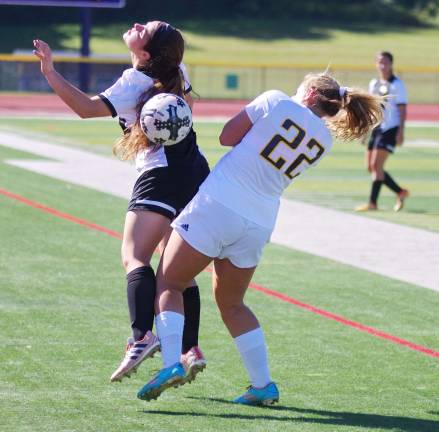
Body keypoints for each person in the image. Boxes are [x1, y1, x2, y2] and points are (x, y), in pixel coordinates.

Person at [136, 72, 383, 405]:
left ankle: (171, 365)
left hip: (219, 204)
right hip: (260, 221)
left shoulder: (276, 100)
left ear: (310, 93)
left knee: (169, 282)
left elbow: (227, 136)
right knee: (233, 304)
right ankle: (262, 385)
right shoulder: (324, 141)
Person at [33, 21, 209, 384]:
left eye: (147, 29)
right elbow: (187, 107)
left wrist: (50, 71)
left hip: (159, 175)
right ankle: (189, 349)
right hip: (194, 172)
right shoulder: (176, 70)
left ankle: (142, 336)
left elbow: (85, 108)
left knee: (134, 257)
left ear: (145, 53)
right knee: (176, 271)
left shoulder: (134, 81)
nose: (138, 24)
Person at [355, 51, 409, 212]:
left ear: (391, 64)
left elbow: (402, 109)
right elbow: (372, 110)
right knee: (371, 167)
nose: (382, 65)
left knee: (376, 166)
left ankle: (373, 203)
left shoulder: (397, 85)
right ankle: (400, 192)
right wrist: (365, 131)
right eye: (380, 62)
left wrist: (400, 131)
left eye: (385, 62)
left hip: (390, 129)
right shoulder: (374, 84)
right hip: (377, 128)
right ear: (376, 64)